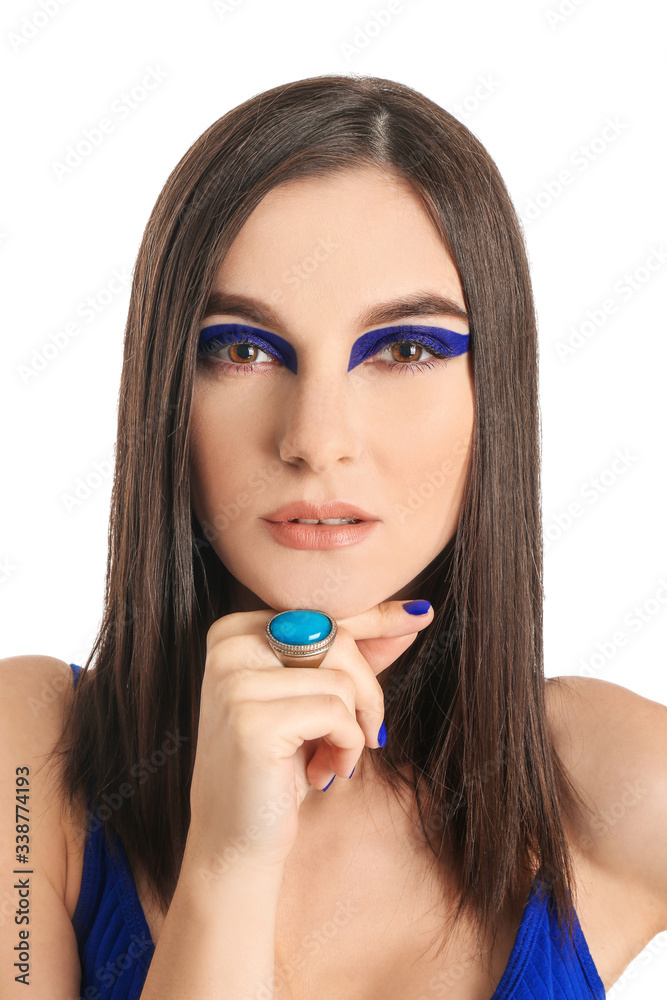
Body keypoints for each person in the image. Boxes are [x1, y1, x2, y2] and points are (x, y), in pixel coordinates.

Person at [1, 73, 665, 1000]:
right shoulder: (26, 763)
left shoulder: (609, 779)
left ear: (494, 396)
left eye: (404, 349)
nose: (314, 439)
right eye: (242, 348)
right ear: (166, 390)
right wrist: (230, 862)